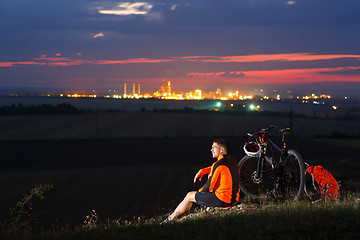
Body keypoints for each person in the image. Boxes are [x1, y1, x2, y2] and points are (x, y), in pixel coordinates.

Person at [162, 139, 240, 223]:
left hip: (223, 200)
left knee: (189, 196)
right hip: (234, 199)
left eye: (214, 147)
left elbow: (208, 187)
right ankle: (179, 213)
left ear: (221, 150)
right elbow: (217, 169)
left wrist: (198, 194)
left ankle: (170, 219)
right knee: (211, 178)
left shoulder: (218, 165)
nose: (211, 150)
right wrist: (203, 171)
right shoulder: (231, 160)